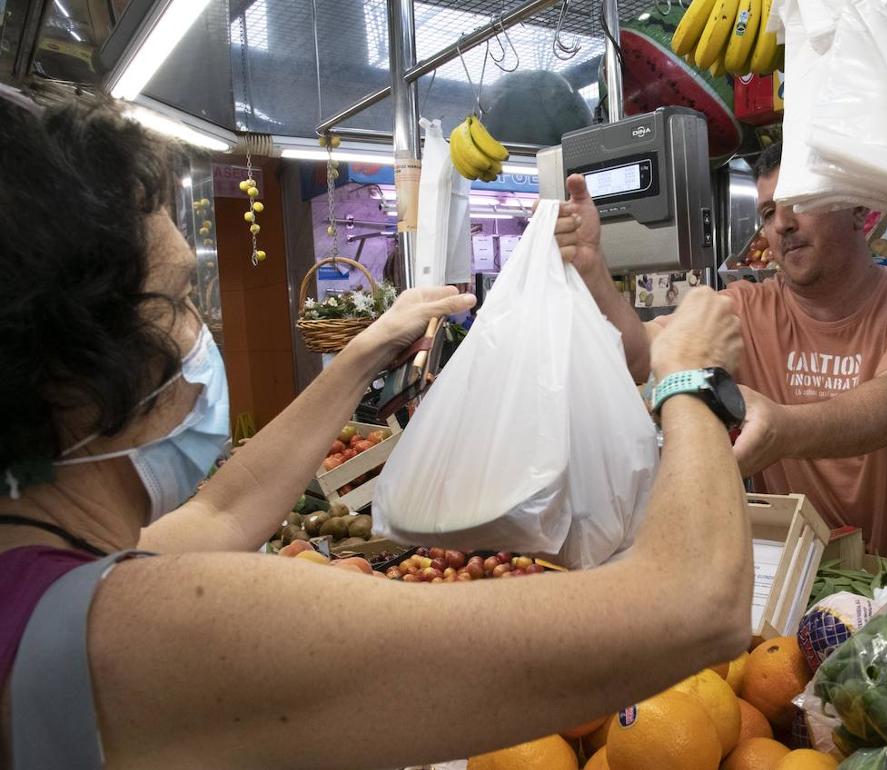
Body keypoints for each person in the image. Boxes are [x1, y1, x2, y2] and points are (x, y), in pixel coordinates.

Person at [0, 84, 751, 769]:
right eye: (179, 298)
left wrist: (365, 351)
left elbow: (225, 510)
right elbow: (693, 609)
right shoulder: (139, 631)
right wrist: (688, 375)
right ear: (79, 365)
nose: (203, 333)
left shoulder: (40, 582)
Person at [556, 141, 887, 567]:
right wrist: (592, 268)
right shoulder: (745, 307)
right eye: (769, 212)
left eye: (800, 201)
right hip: (801, 585)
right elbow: (642, 355)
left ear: (857, 211)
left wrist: (783, 429)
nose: (782, 225)